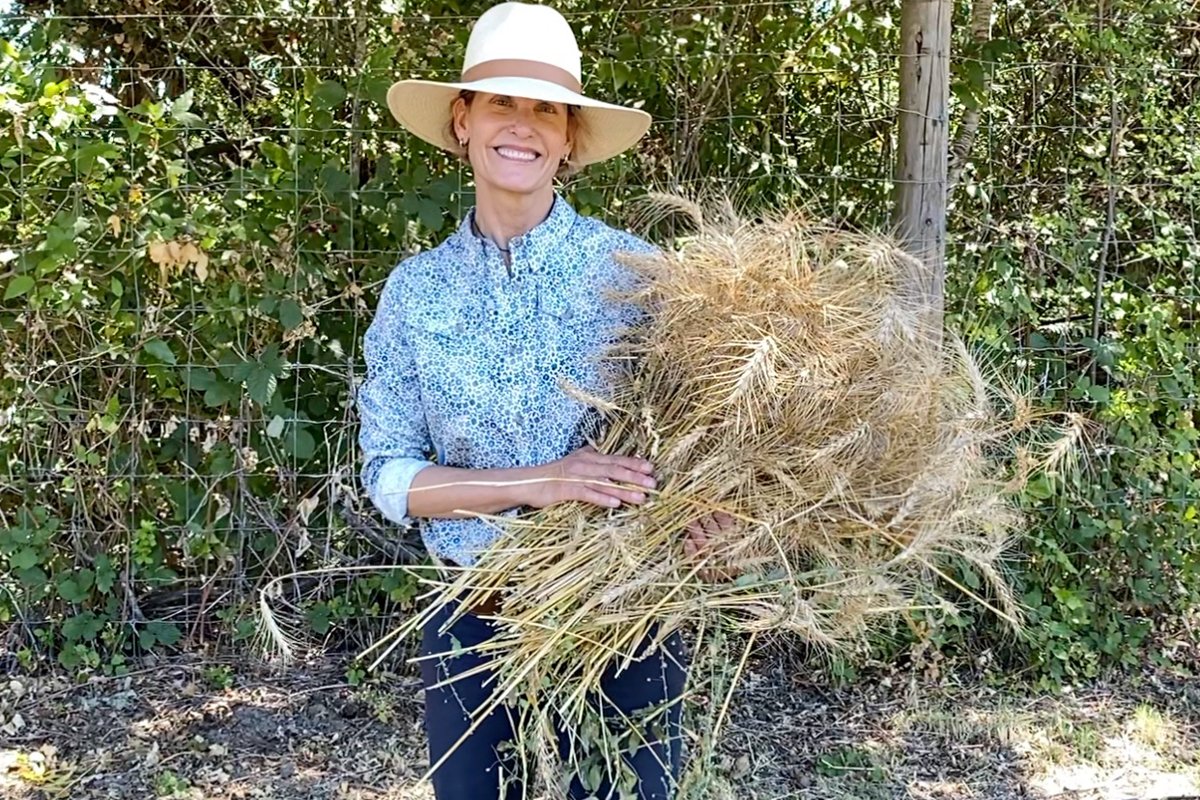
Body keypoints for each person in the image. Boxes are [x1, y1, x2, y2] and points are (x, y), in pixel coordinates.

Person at [357, 4, 699, 798]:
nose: (523, 125)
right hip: (471, 609)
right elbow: (392, 477)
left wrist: (708, 513)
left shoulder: (639, 276)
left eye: (544, 107)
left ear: (571, 137)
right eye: (502, 102)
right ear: (462, 120)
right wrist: (540, 480)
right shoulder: (416, 296)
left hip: (621, 608)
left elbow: (704, 438)